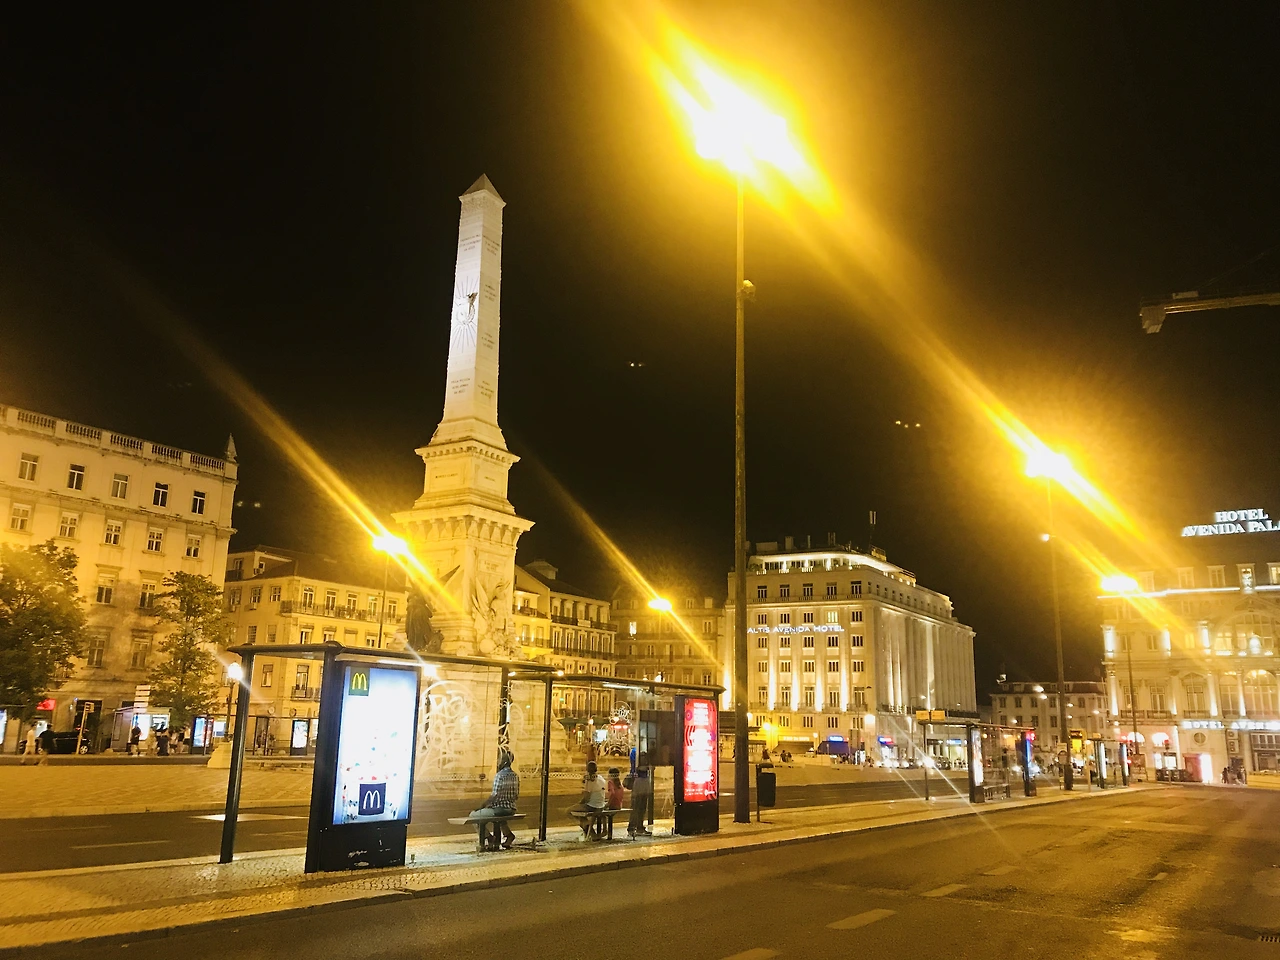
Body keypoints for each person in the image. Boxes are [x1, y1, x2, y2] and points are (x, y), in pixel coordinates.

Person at [469, 748, 519, 849]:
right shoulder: (515, 776)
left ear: (504, 762)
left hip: (499, 810)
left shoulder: (499, 776)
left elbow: (494, 795)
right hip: (511, 809)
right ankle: (508, 835)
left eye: (499, 760)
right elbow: (516, 795)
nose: (498, 762)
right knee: (499, 819)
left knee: (473, 816)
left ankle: (489, 837)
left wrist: (483, 805)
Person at [570, 760, 607, 838]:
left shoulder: (589, 781)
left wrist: (578, 804)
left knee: (569, 811)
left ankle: (587, 828)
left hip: (592, 806)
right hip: (601, 805)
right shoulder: (600, 778)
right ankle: (589, 830)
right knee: (579, 813)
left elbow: (586, 798)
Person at [627, 752, 652, 838]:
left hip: (642, 780)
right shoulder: (635, 752)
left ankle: (638, 827)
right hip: (639, 781)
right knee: (637, 806)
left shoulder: (636, 751)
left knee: (641, 806)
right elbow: (636, 767)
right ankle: (633, 827)